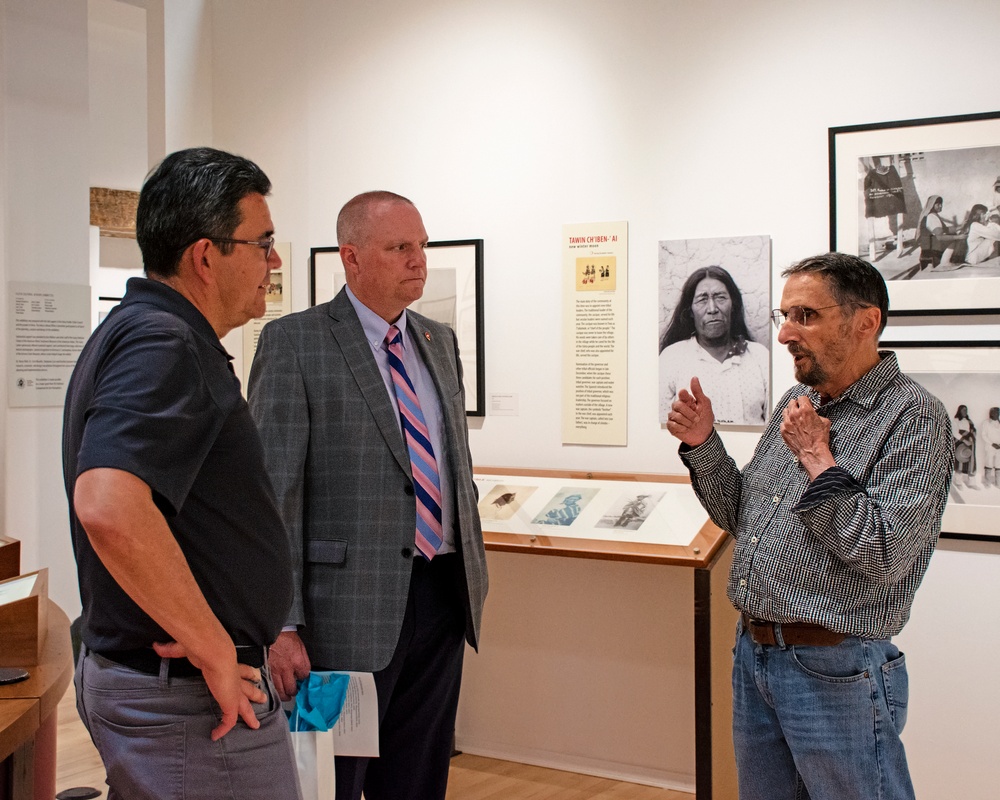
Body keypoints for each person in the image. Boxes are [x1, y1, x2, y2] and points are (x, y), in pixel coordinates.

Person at [666, 252, 952, 800]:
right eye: (784, 317)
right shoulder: (795, 404)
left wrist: (820, 462)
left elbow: (883, 551)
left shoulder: (914, 417)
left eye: (806, 316)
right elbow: (741, 516)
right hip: (755, 657)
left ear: (865, 322)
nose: (786, 334)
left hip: (837, 667)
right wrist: (704, 446)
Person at [62, 148, 301, 799]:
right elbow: (108, 502)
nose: (273, 263)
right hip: (192, 705)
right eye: (263, 243)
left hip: (176, 694)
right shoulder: (165, 343)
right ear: (206, 255)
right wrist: (215, 648)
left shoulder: (143, 332)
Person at [247, 190, 488, 800]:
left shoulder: (438, 341)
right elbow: (273, 495)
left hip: (441, 591)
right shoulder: (295, 344)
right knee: (333, 780)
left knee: (418, 774)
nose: (418, 260)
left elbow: (450, 465)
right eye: (400, 247)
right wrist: (282, 622)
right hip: (340, 615)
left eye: (422, 245)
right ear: (351, 258)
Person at [659, 265, 769, 425]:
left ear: (734, 305)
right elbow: (661, 429)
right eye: (702, 299)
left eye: (720, 297)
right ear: (690, 310)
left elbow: (776, 431)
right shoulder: (671, 358)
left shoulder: (760, 357)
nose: (712, 309)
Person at [915, 194, 965, 269]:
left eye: (941, 204)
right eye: (938, 204)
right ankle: (945, 262)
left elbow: (945, 230)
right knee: (954, 239)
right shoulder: (932, 217)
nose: (940, 206)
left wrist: (960, 227)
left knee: (954, 235)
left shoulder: (932, 215)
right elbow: (940, 237)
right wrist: (958, 237)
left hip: (930, 243)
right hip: (930, 246)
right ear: (932, 205)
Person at [952, 404, 979, 489]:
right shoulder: (955, 420)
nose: (965, 412)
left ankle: (971, 483)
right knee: (960, 461)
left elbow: (973, 430)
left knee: (971, 462)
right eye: (963, 410)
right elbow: (954, 432)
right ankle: (958, 482)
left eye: (966, 410)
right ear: (959, 411)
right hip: (960, 443)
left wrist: (972, 437)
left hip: (970, 443)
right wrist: (964, 440)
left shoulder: (969, 421)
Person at [982, 406, 1000, 489]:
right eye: (995, 412)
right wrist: (992, 444)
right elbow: (983, 435)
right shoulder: (986, 423)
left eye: (998, 412)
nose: (997, 414)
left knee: (998, 465)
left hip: (999, 448)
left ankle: (998, 483)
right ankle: (987, 483)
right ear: (991, 413)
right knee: (988, 464)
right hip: (990, 447)